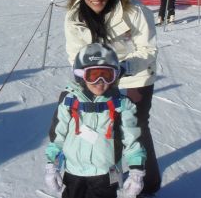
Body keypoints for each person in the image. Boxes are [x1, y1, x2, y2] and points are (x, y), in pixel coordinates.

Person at [64, 0, 161, 195]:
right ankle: (108, 180)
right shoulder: (74, 17)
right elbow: (75, 54)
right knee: (106, 130)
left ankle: (148, 184)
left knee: (135, 128)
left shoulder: (133, 11)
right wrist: (87, 79)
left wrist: (123, 68)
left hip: (133, 77)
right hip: (98, 80)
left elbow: (148, 49)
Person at [45, 43, 147, 198]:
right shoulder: (69, 101)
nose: (100, 81)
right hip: (74, 172)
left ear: (115, 76)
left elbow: (133, 141)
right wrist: (52, 165)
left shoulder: (122, 105)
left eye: (107, 75)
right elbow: (57, 136)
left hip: (106, 174)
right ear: (81, 75)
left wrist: (136, 173)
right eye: (93, 75)